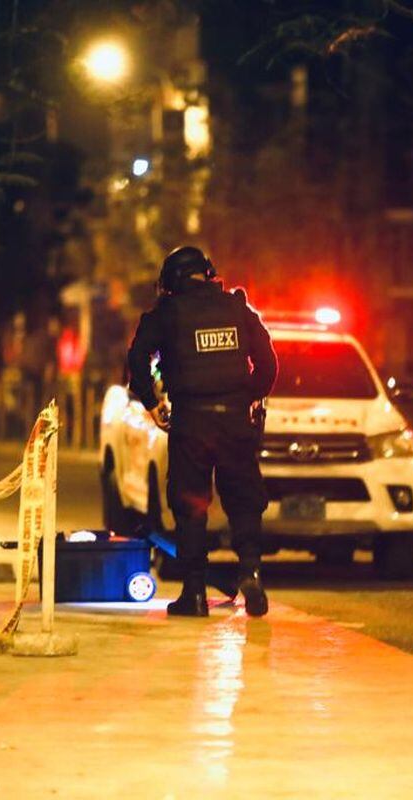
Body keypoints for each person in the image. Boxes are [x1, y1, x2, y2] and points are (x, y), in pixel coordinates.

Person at [126, 246, 278, 617]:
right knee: (244, 500)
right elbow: (269, 362)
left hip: (192, 423)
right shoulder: (237, 308)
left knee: (190, 504)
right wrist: (249, 396)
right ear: (207, 274)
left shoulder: (167, 313)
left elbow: (137, 358)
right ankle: (251, 571)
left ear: (172, 282)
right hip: (234, 422)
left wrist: (151, 402)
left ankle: (194, 593)